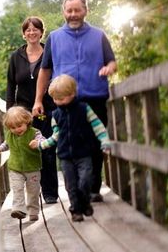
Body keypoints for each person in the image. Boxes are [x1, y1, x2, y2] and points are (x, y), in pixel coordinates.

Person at [32, 0, 117, 203]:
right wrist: (38, 100)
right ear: (64, 12)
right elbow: (45, 70)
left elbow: (112, 61)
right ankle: (75, 188)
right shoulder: (54, 37)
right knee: (66, 142)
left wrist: (109, 68)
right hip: (63, 101)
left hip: (94, 96)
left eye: (77, 10)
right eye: (69, 11)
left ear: (85, 10)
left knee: (96, 142)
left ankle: (93, 188)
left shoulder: (98, 35)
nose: (73, 14)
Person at [30, 75, 111, 222]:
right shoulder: (56, 114)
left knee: (85, 181)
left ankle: (85, 202)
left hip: (84, 153)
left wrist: (104, 142)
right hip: (65, 156)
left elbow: (98, 126)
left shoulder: (84, 109)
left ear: (72, 94)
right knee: (71, 185)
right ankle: (76, 210)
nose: (58, 102)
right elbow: (56, 136)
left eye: (61, 98)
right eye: (55, 99)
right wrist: (41, 145)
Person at [6, 16, 58, 204]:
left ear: (41, 32)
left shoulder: (49, 53)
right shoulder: (15, 57)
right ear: (23, 34)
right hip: (23, 112)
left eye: (35, 29)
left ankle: (50, 192)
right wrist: (9, 113)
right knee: (27, 151)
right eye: (28, 30)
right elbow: (11, 86)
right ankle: (30, 194)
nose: (31, 32)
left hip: (48, 107)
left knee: (47, 149)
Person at [0, 106, 45, 222]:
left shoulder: (34, 133)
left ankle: (33, 211)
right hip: (15, 168)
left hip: (32, 168)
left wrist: (38, 143)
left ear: (27, 121)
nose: (16, 129)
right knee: (17, 189)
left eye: (19, 126)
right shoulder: (10, 135)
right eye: (12, 127)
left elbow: (43, 140)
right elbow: (6, 144)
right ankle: (19, 209)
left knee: (33, 191)